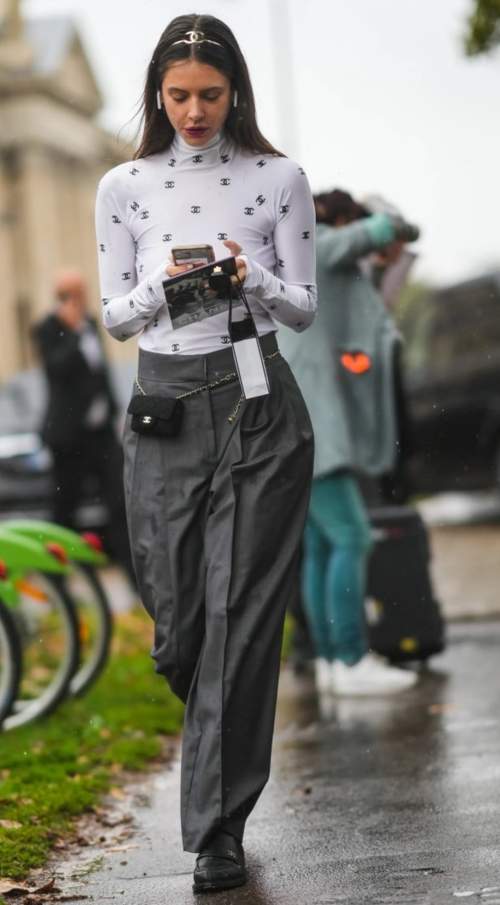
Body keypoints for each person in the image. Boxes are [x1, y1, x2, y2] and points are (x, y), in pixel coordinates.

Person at [94, 14, 316, 894]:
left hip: (259, 398)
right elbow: (115, 315)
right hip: (163, 405)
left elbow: (300, 307)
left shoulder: (279, 177)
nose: (194, 111)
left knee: (237, 613)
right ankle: (224, 723)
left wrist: (246, 274)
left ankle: (217, 831)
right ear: (159, 92)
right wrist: (166, 282)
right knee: (182, 619)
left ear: (236, 94)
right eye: (179, 95)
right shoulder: (124, 184)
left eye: (210, 95)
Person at [279, 189, 418, 697]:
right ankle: (351, 657)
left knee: (321, 544)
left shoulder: (298, 253)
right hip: (316, 424)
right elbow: (388, 229)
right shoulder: (315, 243)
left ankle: (334, 661)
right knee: (353, 538)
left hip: (298, 420)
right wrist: (389, 220)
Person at [32, 270, 135, 586]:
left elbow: (99, 373)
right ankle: (55, 580)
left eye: (80, 294)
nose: (77, 301)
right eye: (69, 295)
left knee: (120, 502)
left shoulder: (91, 324)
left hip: (101, 434)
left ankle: (134, 576)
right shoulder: (47, 328)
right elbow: (56, 369)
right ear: (59, 297)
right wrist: (73, 331)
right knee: (65, 510)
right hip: (68, 437)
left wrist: (115, 408)